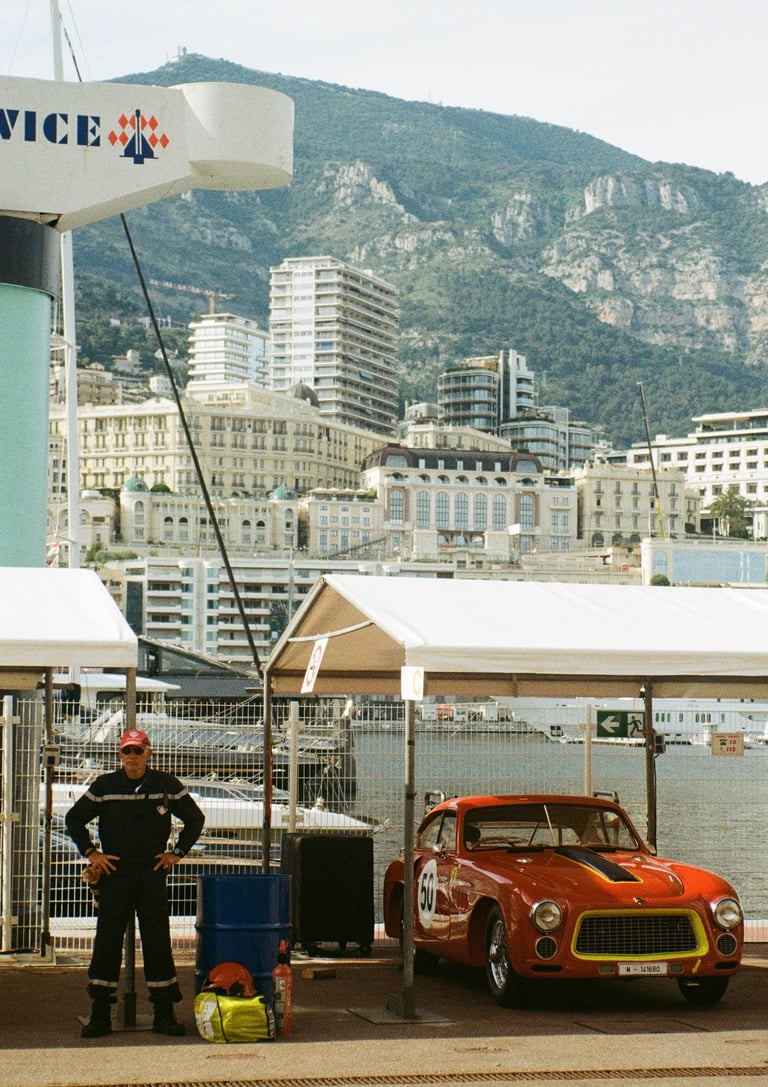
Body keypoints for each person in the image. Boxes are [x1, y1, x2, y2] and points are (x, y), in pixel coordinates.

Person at [65, 728, 205, 1039]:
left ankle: (164, 1014)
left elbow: (195, 819)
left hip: (151, 873)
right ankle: (101, 1014)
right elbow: (74, 819)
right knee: (107, 940)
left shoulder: (166, 785)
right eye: (126, 752)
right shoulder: (105, 785)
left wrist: (176, 853)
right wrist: (91, 853)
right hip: (115, 873)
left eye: (138, 751)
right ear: (120, 755)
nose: (132, 758)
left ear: (149, 753)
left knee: (157, 940)